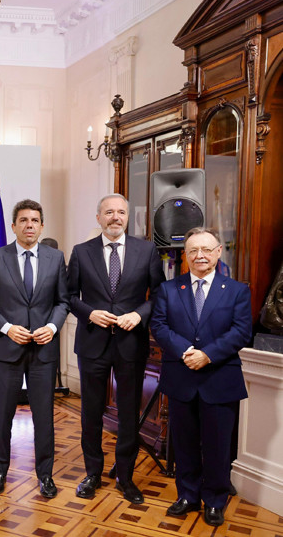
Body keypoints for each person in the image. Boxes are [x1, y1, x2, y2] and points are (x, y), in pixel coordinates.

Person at [150, 227, 251, 528]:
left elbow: (241, 331)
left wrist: (207, 354)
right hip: (181, 379)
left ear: (218, 252)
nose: (200, 256)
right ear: (185, 256)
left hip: (219, 379)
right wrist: (186, 351)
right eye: (193, 250)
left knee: (219, 446)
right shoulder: (169, 289)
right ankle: (188, 497)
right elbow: (159, 325)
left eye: (206, 249)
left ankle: (215, 501)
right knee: (184, 444)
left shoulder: (236, 290)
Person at [67, 194, 164, 503]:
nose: (115, 217)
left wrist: (139, 315)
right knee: (91, 413)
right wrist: (89, 313)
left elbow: (159, 294)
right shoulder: (81, 252)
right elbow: (68, 295)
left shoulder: (147, 250)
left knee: (127, 414)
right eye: (109, 212)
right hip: (93, 342)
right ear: (99, 217)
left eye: (121, 212)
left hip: (130, 344)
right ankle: (92, 473)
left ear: (127, 217)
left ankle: (125, 476)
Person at [0, 199, 69, 499]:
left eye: (35, 220)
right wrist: (7, 327)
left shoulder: (56, 258)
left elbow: (63, 302)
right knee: (2, 416)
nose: (29, 225)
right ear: (14, 225)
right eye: (24, 220)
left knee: (44, 417)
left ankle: (45, 476)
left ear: (42, 226)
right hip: (5, 349)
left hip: (43, 351)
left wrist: (52, 328)